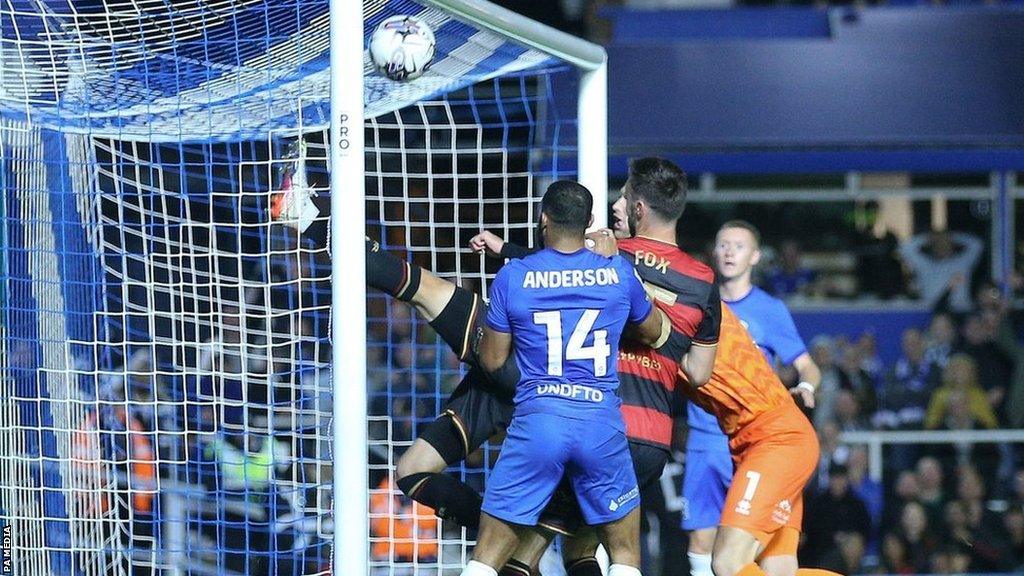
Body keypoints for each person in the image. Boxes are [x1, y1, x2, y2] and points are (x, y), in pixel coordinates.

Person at [367, 157, 721, 575]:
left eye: (623, 199)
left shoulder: (529, 274)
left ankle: (320, 231)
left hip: (537, 408)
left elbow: (497, 354)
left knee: (504, 553)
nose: (616, 209)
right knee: (603, 553)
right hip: (620, 428)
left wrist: (506, 255)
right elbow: (678, 353)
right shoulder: (643, 273)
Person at [463, 180, 668, 576]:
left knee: (485, 560)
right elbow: (654, 330)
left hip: (539, 422)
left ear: (543, 219)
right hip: (599, 425)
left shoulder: (514, 277)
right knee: (624, 555)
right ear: (590, 221)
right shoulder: (617, 274)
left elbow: (491, 360)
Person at [682, 220, 821, 576]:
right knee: (707, 541)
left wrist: (806, 386)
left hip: (765, 435)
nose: (729, 252)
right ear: (713, 252)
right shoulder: (697, 305)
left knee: (731, 559)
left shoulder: (769, 310)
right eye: (723, 244)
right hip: (710, 439)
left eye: (738, 246)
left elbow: (807, 366)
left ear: (755, 256)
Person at [899, 230, 983, 312]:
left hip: (959, 311)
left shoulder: (962, 263)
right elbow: (905, 249)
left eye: (945, 243)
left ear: (952, 246)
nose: (942, 246)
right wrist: (927, 238)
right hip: (933, 313)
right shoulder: (924, 265)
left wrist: (953, 236)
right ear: (932, 246)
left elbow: (977, 245)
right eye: (938, 244)